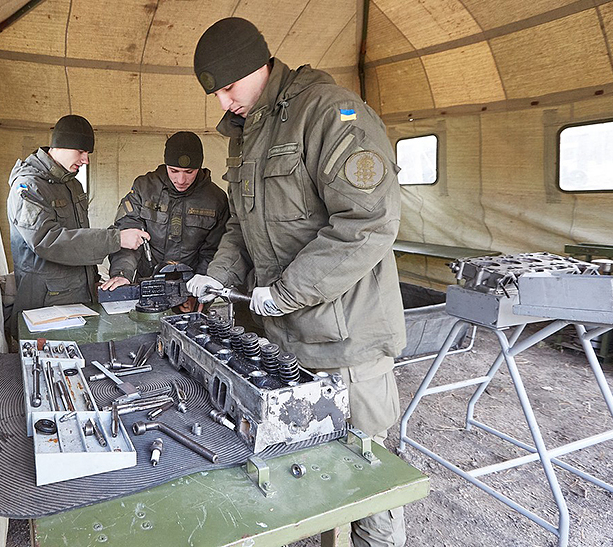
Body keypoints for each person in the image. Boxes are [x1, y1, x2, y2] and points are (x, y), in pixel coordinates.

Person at [186, 18, 407, 546]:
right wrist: (217, 278)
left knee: (365, 481)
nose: (224, 103)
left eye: (229, 87)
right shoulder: (248, 133)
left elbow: (368, 221)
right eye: (215, 93)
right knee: (310, 470)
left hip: (345, 341)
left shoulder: (329, 113)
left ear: (258, 65)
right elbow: (241, 224)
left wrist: (285, 292)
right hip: (287, 340)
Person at [7, 114, 149, 333]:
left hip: (79, 298)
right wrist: (116, 239)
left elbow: (77, 238)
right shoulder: (29, 186)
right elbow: (47, 240)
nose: (86, 160)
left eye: (88, 153)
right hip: (46, 305)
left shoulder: (72, 185)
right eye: (81, 152)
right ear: (60, 145)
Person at [101, 131, 229, 310]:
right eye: (174, 171)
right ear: (166, 164)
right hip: (147, 287)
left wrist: (199, 290)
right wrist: (123, 273)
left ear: (199, 168)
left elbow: (213, 251)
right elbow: (128, 236)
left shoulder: (216, 199)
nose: (181, 180)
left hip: (191, 291)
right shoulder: (144, 188)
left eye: (189, 172)